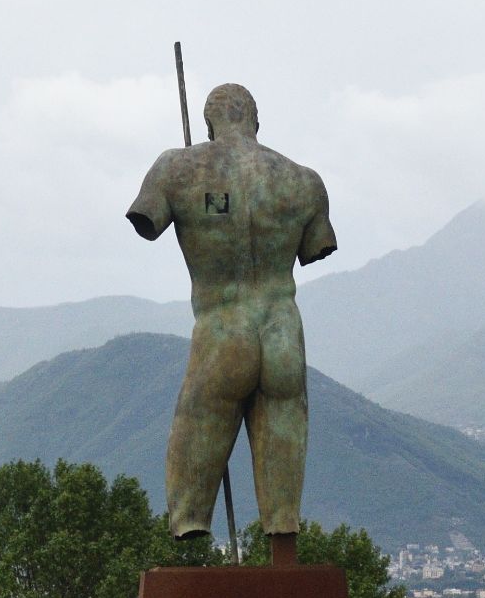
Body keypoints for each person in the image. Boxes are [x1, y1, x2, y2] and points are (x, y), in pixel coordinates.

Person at [126, 83, 336, 566]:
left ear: (208, 123)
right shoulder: (304, 181)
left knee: (196, 422)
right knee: (285, 428)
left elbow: (146, 219)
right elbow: (315, 249)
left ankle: (189, 523)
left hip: (223, 332)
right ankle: (282, 531)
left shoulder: (178, 167)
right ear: (257, 121)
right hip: (283, 330)